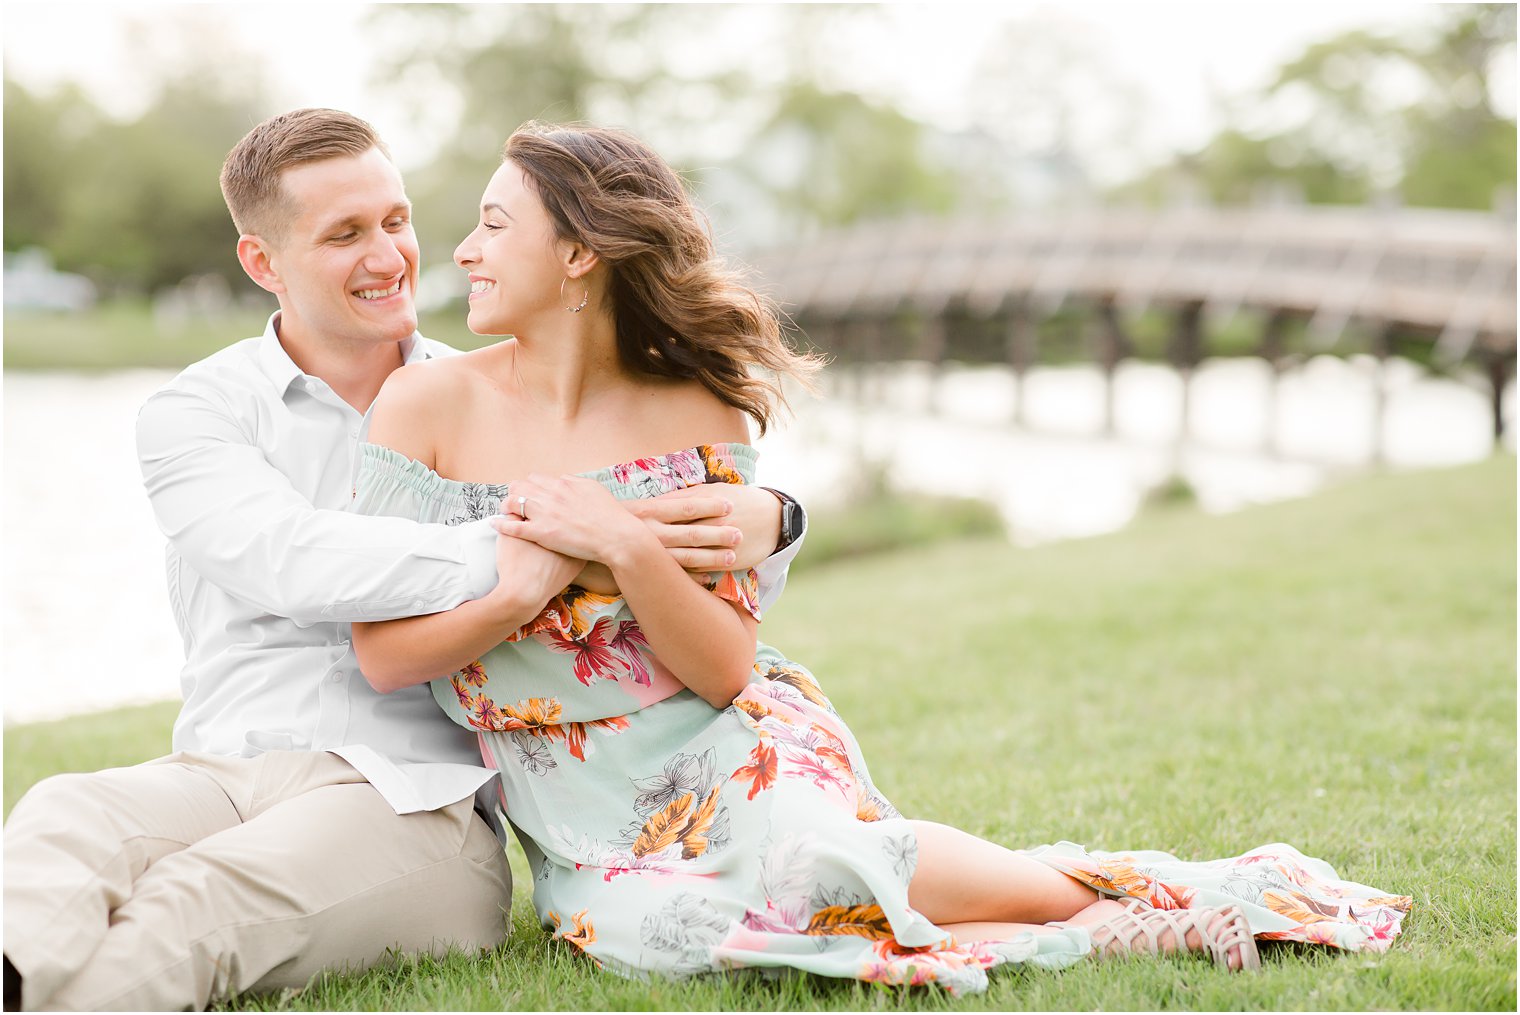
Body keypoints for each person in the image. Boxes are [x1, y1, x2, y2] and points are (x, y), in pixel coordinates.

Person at [348, 122, 1412, 995]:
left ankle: (1127, 920)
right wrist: (525, 587)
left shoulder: (695, 407)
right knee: (665, 936)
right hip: (578, 811)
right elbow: (386, 655)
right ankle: (1095, 902)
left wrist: (626, 546)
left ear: (578, 254)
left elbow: (720, 669)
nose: (464, 251)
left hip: (727, 738)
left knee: (824, 867)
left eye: (492, 225)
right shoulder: (425, 406)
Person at [1, 109, 805, 1012]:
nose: (389, 256)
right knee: (62, 817)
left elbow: (682, 552)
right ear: (263, 264)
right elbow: (297, 562)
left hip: (419, 796)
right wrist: (545, 544)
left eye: (396, 220)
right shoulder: (196, 415)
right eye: (345, 234)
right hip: (223, 770)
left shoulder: (489, 396)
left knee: (192, 906)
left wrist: (778, 517)